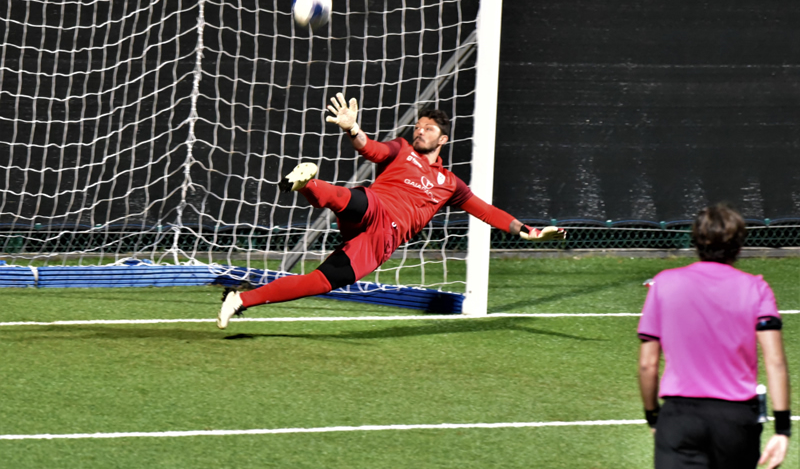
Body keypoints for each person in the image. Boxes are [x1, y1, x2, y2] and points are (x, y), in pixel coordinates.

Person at [218, 92, 565, 328]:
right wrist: (352, 128)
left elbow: (486, 211)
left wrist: (530, 232)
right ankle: (308, 185)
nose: (420, 130)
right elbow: (370, 149)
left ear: (442, 139)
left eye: (428, 128)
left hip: (382, 242)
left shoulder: (450, 184)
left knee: (321, 282)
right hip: (376, 208)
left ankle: (241, 299)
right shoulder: (401, 150)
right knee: (359, 199)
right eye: (418, 125)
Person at [637, 203, 791, 469]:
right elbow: (775, 361)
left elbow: (647, 365)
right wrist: (782, 429)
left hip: (679, 419)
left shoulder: (663, 283)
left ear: (695, 241)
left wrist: (653, 417)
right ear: (739, 244)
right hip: (736, 422)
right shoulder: (757, 288)